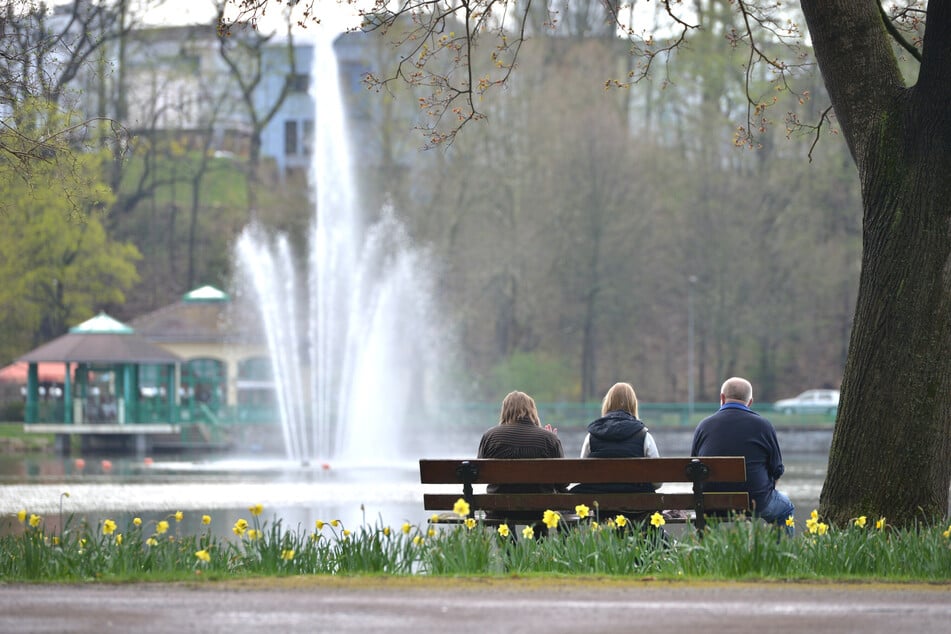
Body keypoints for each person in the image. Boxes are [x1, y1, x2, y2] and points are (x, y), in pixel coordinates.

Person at [691, 376, 795, 535]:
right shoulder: (764, 426)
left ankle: (707, 549)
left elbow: (693, 467)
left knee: (708, 506)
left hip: (711, 503)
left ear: (722, 398)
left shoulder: (704, 426)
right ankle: (780, 551)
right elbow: (777, 469)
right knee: (785, 509)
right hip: (755, 502)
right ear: (750, 402)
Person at [477, 390, 566, 525]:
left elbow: (478, 474)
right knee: (540, 496)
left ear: (505, 411)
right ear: (532, 411)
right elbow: (563, 482)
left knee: (504, 498)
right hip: (540, 509)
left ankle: (506, 538)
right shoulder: (548, 439)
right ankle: (539, 538)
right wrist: (551, 440)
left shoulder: (490, 437)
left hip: (499, 508)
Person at [571, 382, 660, 495]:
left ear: (607, 404)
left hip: (599, 501)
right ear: (633, 405)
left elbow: (582, 475)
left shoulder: (591, 436)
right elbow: (658, 481)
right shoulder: (644, 436)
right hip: (636, 502)